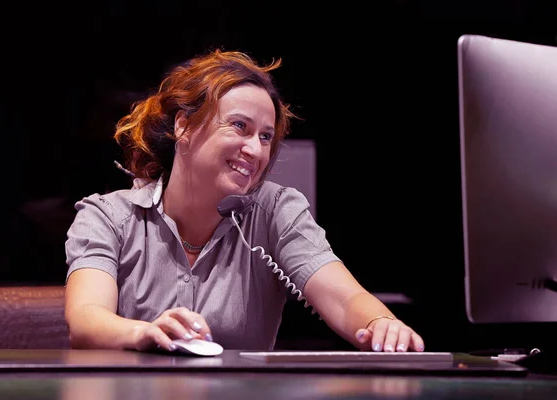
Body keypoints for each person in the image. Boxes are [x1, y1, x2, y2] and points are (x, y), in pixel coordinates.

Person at [64, 48, 426, 353]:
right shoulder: (108, 217)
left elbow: (345, 298)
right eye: (240, 126)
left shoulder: (277, 211)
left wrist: (381, 323)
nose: (255, 150)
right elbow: (86, 318)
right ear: (183, 126)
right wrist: (143, 332)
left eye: (266, 137)